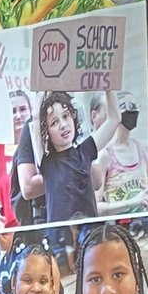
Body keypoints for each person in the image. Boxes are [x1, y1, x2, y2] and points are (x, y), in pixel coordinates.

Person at [31, 89, 119, 224]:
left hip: (90, 236)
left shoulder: (85, 150)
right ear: (46, 131)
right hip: (61, 239)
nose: (63, 125)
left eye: (66, 116)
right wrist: (41, 90)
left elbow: (114, 119)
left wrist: (109, 88)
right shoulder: (46, 162)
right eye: (54, 122)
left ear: (73, 117)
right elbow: (36, 117)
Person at [91, 92, 148, 216]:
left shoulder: (144, 149)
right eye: (126, 106)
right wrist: (132, 202)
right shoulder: (104, 156)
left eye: (135, 107)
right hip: (118, 230)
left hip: (146, 228)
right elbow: (95, 207)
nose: (132, 111)